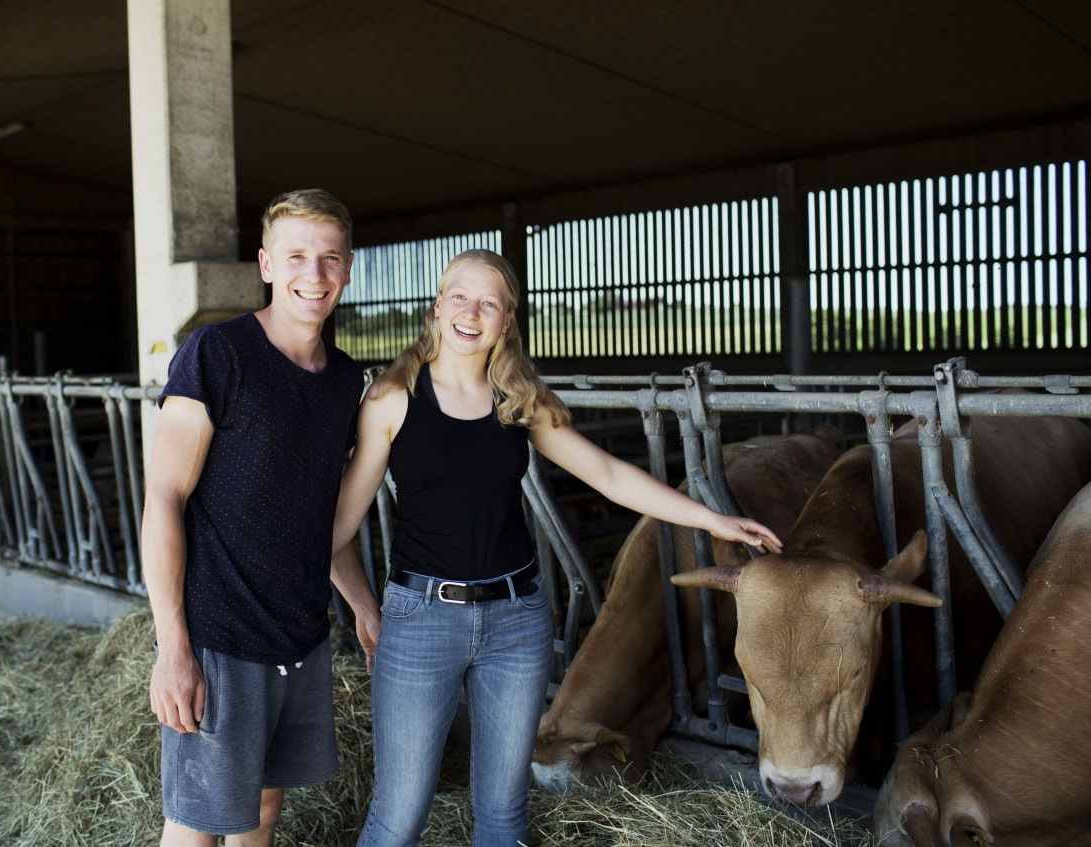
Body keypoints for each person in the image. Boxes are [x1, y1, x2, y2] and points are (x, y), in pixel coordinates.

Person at [330, 248, 782, 847]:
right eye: (459, 297)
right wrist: (351, 604)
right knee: (401, 813)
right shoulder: (391, 399)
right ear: (437, 306)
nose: (472, 312)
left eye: (489, 302)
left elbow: (610, 476)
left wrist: (714, 520)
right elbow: (335, 528)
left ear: (507, 320)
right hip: (420, 622)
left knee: (503, 813)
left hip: (516, 622)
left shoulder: (520, 399)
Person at [141, 188, 380, 847]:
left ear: (350, 267)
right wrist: (173, 647)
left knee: (264, 808)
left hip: (297, 633)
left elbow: (318, 509)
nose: (315, 273)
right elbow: (164, 496)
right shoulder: (218, 354)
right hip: (218, 631)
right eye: (297, 255)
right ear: (267, 264)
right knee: (197, 820)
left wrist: (362, 605)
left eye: (330, 257)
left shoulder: (343, 380)